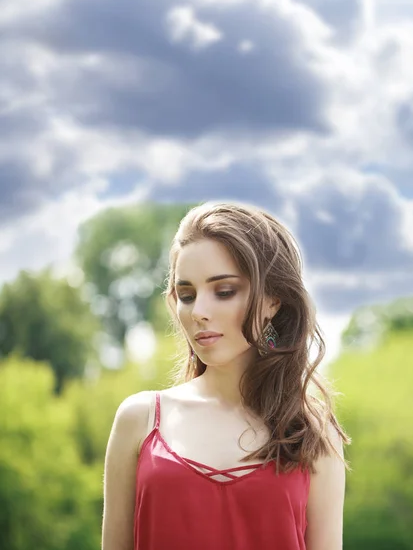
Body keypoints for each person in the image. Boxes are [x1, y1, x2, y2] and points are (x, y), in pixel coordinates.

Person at [101, 201, 351, 550]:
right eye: (186, 295)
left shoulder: (311, 433)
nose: (199, 312)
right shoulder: (139, 420)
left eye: (224, 291)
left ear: (273, 300)